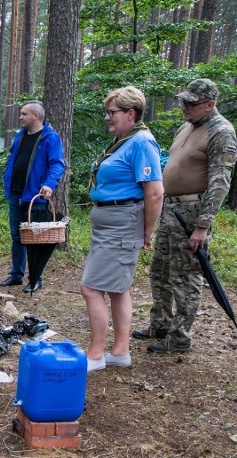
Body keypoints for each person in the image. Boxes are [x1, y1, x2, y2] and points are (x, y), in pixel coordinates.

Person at [135, 79, 237, 353]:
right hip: (171, 208)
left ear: (210, 104)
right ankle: (160, 324)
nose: (184, 107)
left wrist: (203, 226)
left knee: (185, 275)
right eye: (183, 101)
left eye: (191, 103)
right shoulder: (187, 127)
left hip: (192, 213)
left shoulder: (221, 131)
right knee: (160, 269)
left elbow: (220, 181)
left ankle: (180, 338)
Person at [82, 86, 164, 372]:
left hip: (123, 222)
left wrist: (147, 232)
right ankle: (120, 351)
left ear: (131, 113)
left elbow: (155, 192)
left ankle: (95, 355)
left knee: (90, 288)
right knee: (118, 289)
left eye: (112, 112)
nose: (107, 117)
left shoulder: (142, 142)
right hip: (110, 221)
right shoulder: (123, 140)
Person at [0, 100, 66, 293]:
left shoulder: (50, 138)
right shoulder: (20, 136)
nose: (20, 117)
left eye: (24, 114)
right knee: (16, 237)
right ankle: (16, 275)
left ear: (36, 116)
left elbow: (57, 164)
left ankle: (36, 278)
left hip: (35, 196)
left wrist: (49, 184)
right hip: (16, 194)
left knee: (36, 240)